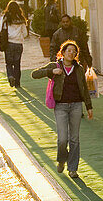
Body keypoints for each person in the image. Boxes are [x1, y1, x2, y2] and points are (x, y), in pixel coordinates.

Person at [32, 40, 94, 178]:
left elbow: (84, 89)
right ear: (63, 52)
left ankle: (73, 169)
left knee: (74, 139)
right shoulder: (56, 66)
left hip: (76, 106)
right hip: (60, 106)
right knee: (62, 139)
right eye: (69, 50)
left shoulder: (78, 69)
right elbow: (34, 74)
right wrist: (51, 71)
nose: (71, 53)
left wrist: (89, 107)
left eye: (74, 51)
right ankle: (61, 160)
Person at [0, 0, 28, 87]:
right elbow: (25, 33)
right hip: (18, 44)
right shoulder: (21, 19)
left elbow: (0, 29)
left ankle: (10, 76)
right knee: (17, 64)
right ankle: (17, 83)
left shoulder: (6, 18)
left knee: (8, 63)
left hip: (9, 43)